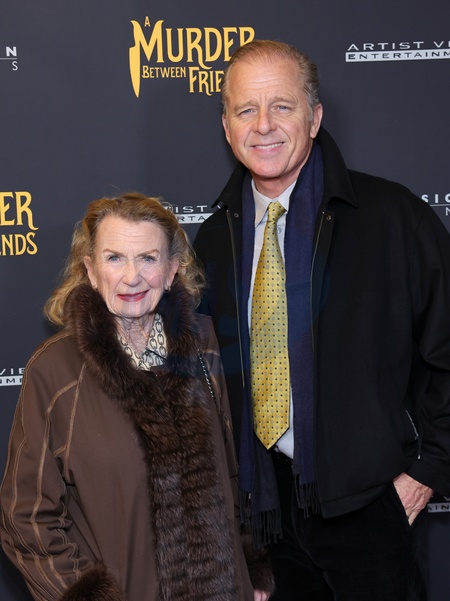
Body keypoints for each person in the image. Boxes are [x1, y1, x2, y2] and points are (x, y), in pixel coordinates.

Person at [193, 39, 450, 600]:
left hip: (369, 504)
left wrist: (428, 470)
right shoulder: (214, 240)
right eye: (246, 109)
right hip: (267, 510)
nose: (263, 125)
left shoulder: (391, 217)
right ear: (227, 127)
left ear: (314, 118)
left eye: (281, 106)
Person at [0, 193, 273, 601]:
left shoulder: (206, 346)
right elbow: (25, 518)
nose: (132, 277)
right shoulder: (54, 371)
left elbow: (234, 473)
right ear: (91, 271)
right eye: (114, 258)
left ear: (171, 270)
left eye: (148, 258)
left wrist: (247, 564)